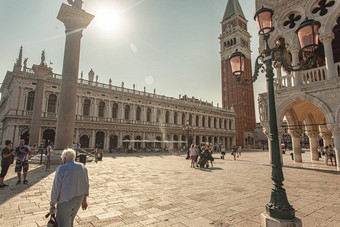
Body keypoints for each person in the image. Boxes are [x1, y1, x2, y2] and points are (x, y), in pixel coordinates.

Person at [50, 148, 89, 226]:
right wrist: (84, 199)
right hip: (78, 199)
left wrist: (52, 203)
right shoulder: (82, 166)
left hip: (65, 200)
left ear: (64, 158)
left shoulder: (61, 168)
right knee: (70, 219)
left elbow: (56, 187)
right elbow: (86, 184)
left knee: (63, 222)